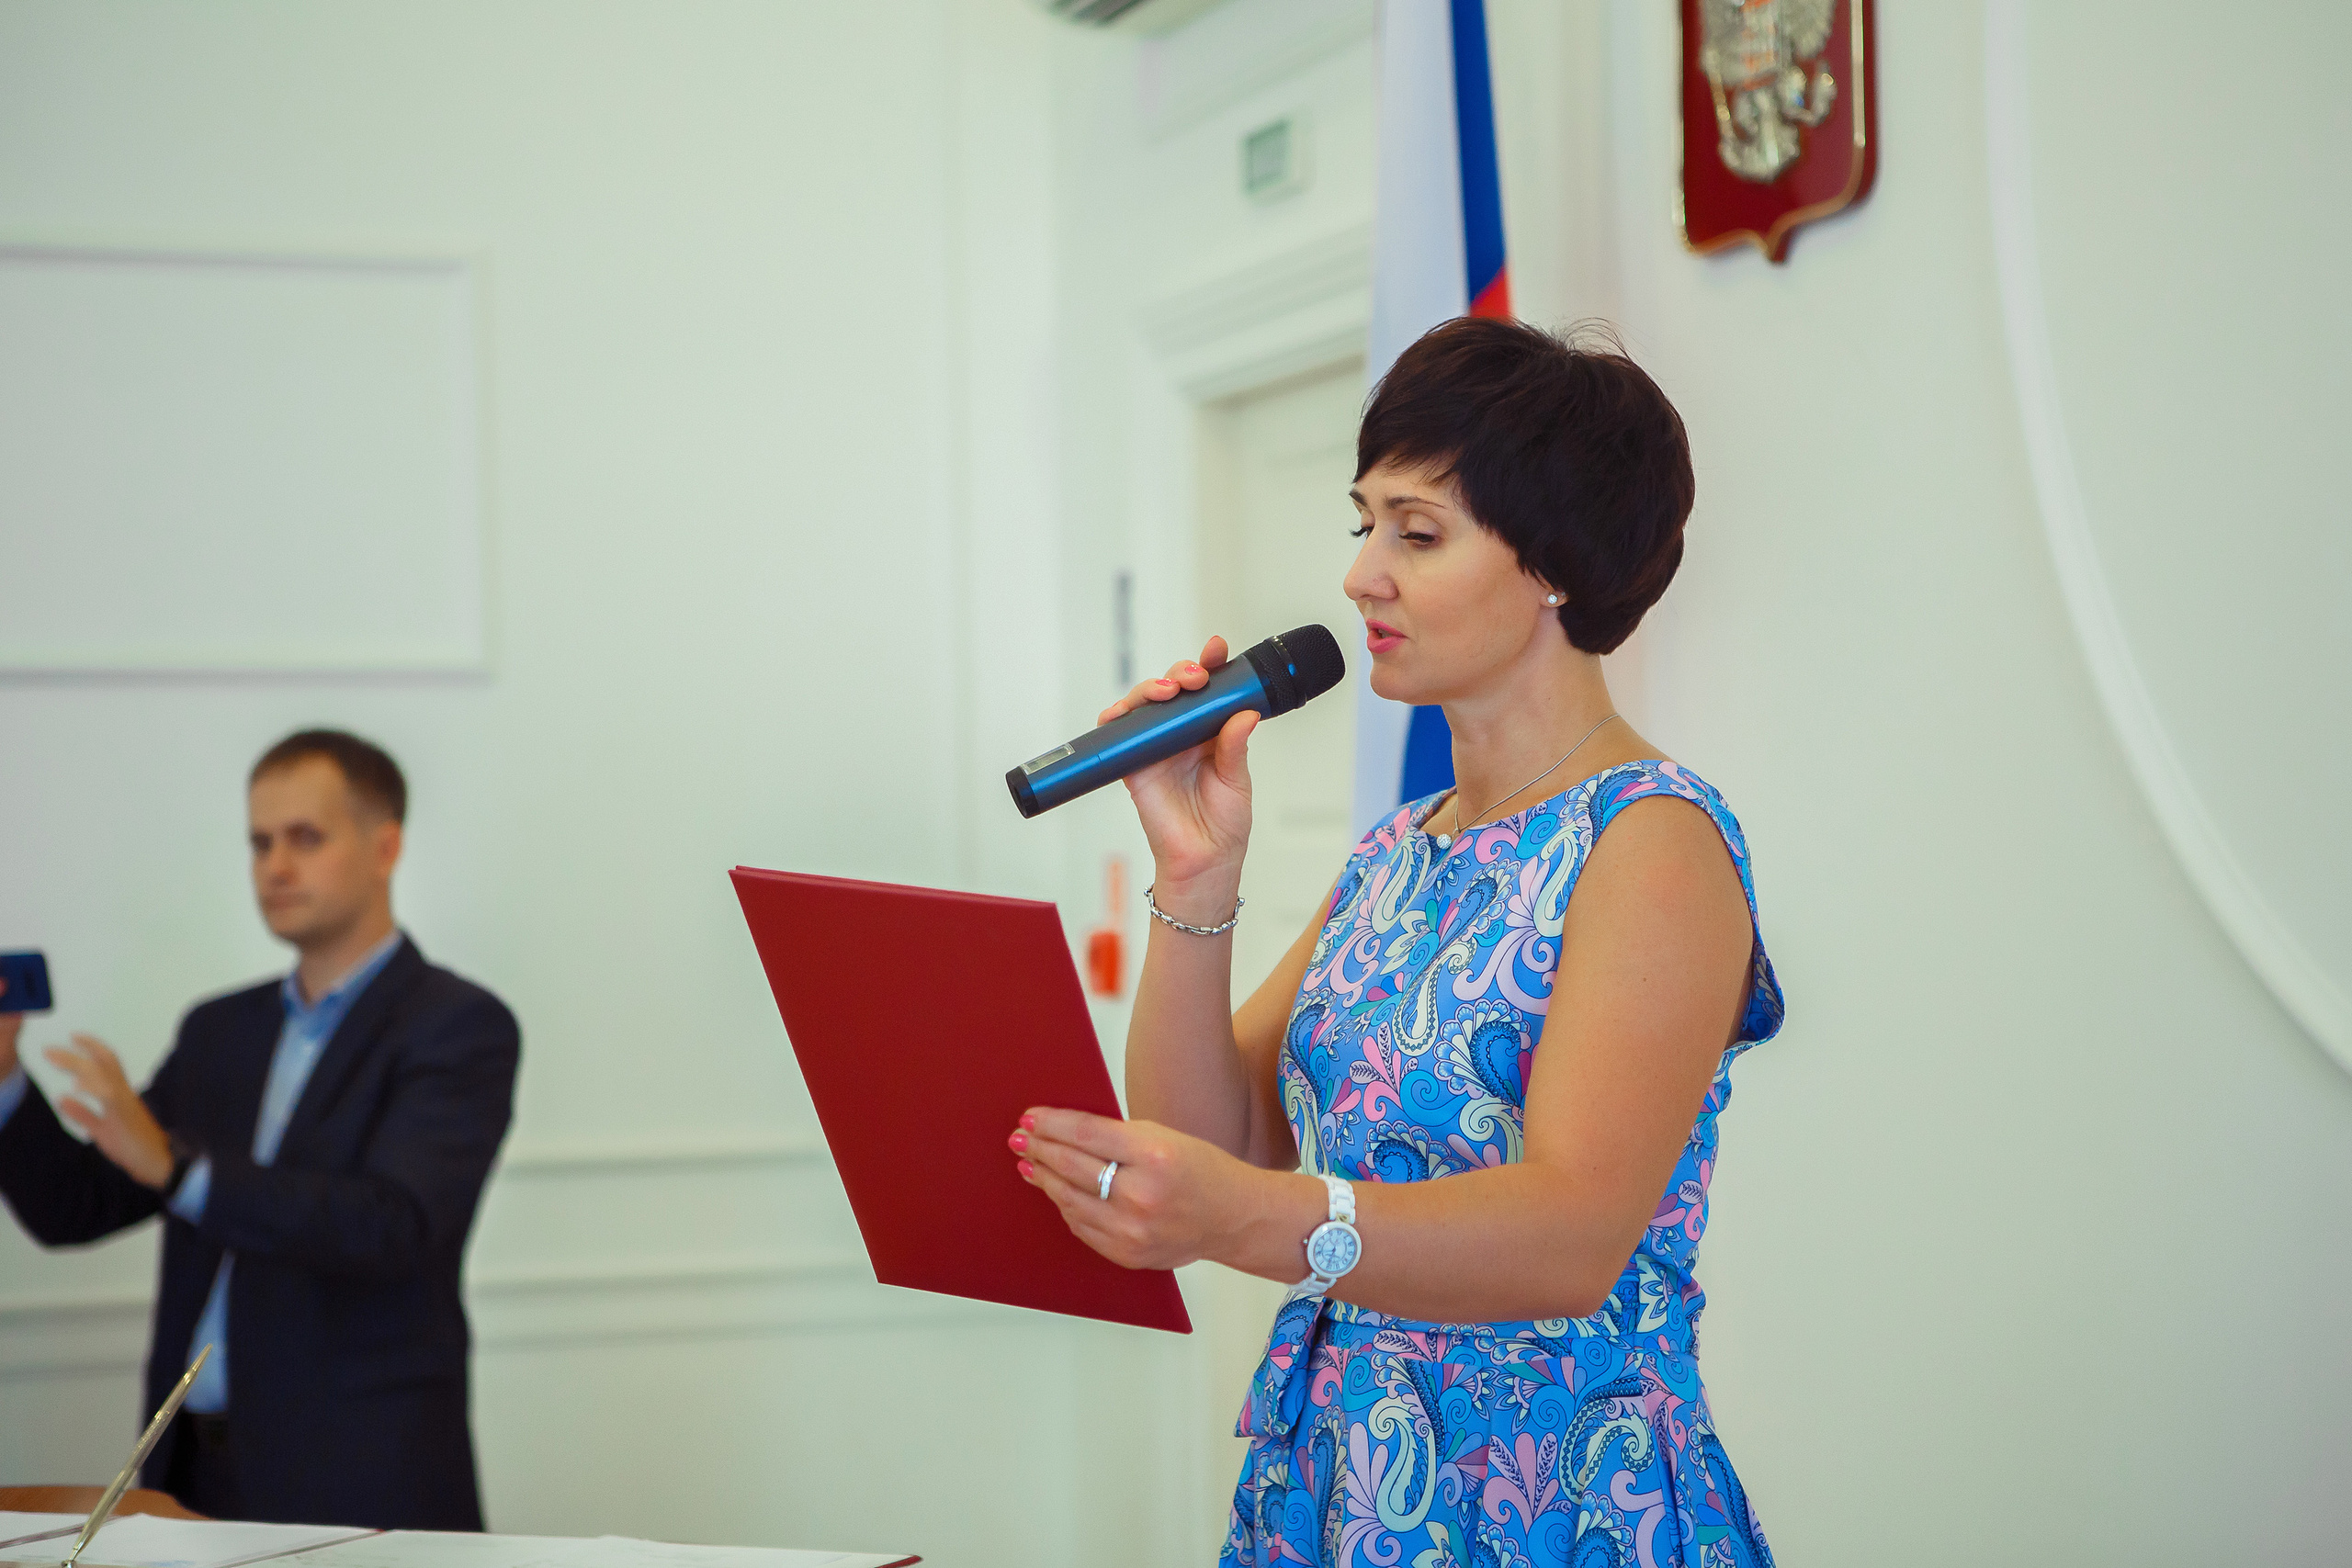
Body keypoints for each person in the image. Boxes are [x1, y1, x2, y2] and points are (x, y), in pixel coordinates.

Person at [1008, 319, 1786, 1567]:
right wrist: (1195, 875)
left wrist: (1253, 1217)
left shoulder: (1652, 840)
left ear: (1557, 564)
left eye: (1417, 532)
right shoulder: (1396, 847)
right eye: (1363, 524)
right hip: (1338, 1485)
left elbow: (1570, 1232)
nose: (1364, 574)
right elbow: (1209, 1139)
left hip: (1557, 1496)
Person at [0, 730, 520, 1530]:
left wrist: (179, 1170)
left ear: (386, 845)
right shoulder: (218, 1033)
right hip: (190, 1476)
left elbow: (395, 1226)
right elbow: (74, 1207)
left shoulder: (457, 1026)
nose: (275, 865)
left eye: (305, 837)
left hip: (363, 1478)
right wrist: (4, 1078)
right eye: (259, 841)